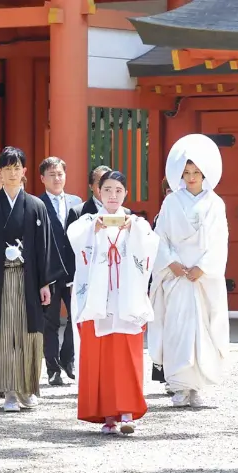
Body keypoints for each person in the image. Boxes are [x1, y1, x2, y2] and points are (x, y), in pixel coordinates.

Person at [0, 146, 64, 412]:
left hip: (28, 279)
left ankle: (27, 388)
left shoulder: (36, 206)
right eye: (7, 168)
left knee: (28, 333)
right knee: (4, 332)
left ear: (24, 172)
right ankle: (9, 392)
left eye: (17, 168)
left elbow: (45, 247)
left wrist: (45, 282)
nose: (12, 173)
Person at [69, 171, 159, 435]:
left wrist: (135, 231)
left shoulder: (137, 223)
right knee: (102, 358)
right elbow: (75, 239)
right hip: (100, 301)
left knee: (127, 356)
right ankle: (108, 415)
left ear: (125, 193)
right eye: (107, 189)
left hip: (125, 300)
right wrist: (93, 231)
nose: (112, 195)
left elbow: (151, 246)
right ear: (98, 191)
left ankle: (128, 412)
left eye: (118, 190)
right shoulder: (87, 222)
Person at [149, 133, 230, 408]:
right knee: (177, 328)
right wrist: (171, 263)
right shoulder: (171, 202)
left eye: (196, 172)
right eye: (186, 172)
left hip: (202, 278)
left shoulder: (215, 204)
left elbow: (220, 241)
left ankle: (197, 386)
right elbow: (160, 237)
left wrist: (203, 267)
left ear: (205, 173)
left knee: (203, 328)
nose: (191, 177)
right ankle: (179, 386)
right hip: (177, 275)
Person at [37, 157, 83, 386]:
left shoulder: (77, 203)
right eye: (52, 174)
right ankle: (53, 368)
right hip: (49, 271)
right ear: (42, 178)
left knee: (76, 317)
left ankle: (69, 359)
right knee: (50, 321)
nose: (57, 178)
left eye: (60, 174)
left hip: (74, 269)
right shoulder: (37, 204)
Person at [151, 177, 175, 394]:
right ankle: (168, 375)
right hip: (166, 276)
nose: (171, 192)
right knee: (164, 326)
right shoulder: (161, 216)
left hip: (187, 275)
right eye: (167, 189)